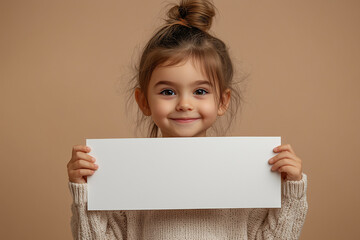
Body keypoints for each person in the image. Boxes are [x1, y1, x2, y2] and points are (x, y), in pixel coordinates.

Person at [66, 0, 308, 239]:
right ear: (143, 101)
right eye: (168, 92)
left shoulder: (246, 172)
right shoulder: (124, 174)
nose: (184, 104)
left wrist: (291, 190)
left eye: (200, 91)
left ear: (223, 101)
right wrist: (85, 191)